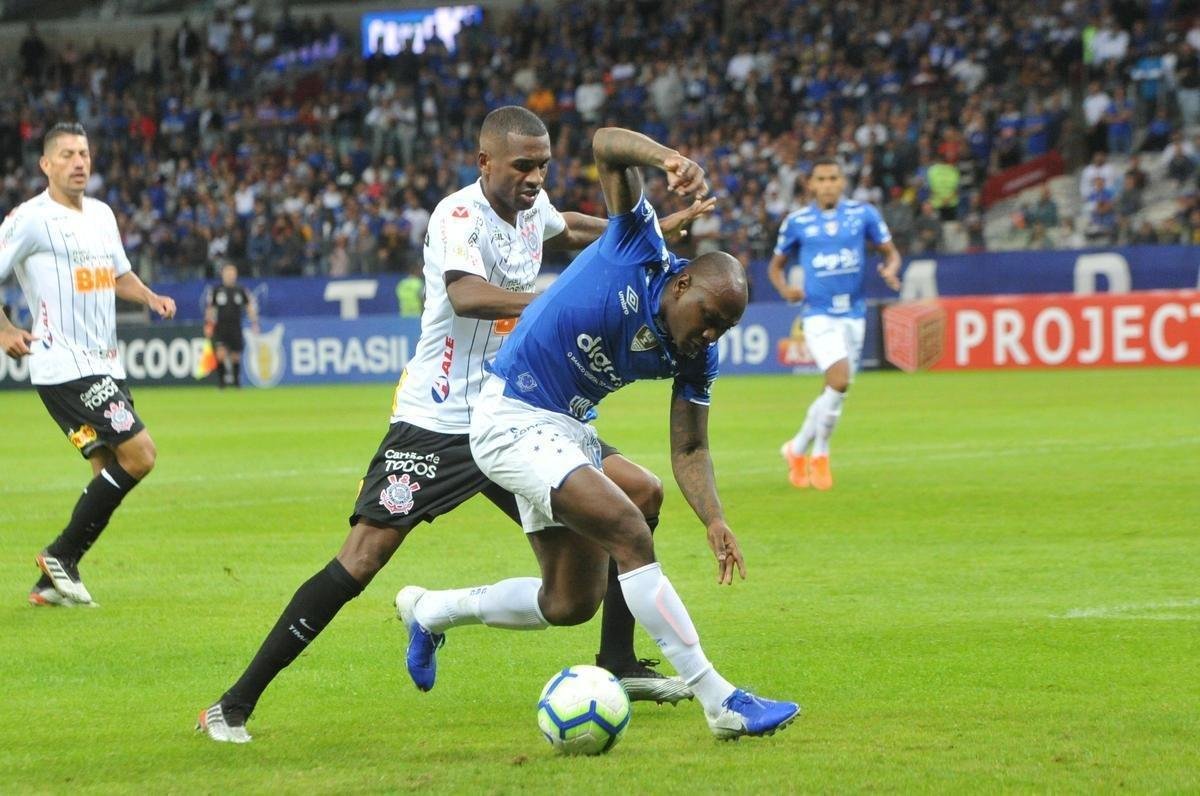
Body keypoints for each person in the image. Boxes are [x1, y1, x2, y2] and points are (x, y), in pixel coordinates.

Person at [197, 107, 712, 743]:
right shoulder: (458, 215)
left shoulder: (532, 206)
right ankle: (233, 704)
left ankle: (616, 661)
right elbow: (467, 294)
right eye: (523, 165)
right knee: (363, 557)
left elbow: (568, 225)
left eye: (544, 164)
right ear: (484, 163)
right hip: (438, 421)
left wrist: (638, 230)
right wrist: (558, 303)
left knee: (611, 536)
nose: (535, 176)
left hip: (522, 411)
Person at [396, 126, 799, 740]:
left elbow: (691, 446)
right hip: (509, 417)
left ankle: (430, 609)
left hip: (567, 429)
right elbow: (606, 142)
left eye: (725, 329)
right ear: (682, 283)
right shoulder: (636, 246)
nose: (711, 335)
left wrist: (714, 519)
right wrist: (669, 159)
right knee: (629, 526)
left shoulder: (696, 355)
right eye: (710, 319)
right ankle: (721, 702)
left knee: (569, 600)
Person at [0, 122, 176, 606]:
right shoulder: (30, 219)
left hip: (105, 363)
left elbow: (119, 275)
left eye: (84, 153)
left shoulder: (101, 214)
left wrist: (149, 295)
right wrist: (5, 329)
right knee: (140, 455)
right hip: (65, 367)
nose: (80, 162)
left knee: (108, 469)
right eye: (68, 155)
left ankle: (53, 580)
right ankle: (59, 554)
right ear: (46, 164)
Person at [768, 157, 902, 490]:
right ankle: (821, 455)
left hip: (854, 314)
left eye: (833, 178)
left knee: (836, 390)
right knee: (839, 380)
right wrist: (786, 289)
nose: (828, 184)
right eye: (821, 179)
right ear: (811, 185)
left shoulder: (863, 214)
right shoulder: (797, 222)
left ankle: (796, 448)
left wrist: (890, 268)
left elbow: (891, 252)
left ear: (843, 182)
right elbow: (776, 266)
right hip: (818, 314)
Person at [203, 262, 258, 388]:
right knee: (221, 354)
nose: (230, 275)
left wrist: (254, 322)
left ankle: (236, 382)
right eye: (228, 273)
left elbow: (249, 306)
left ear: (236, 275)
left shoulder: (241, 290)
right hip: (221, 326)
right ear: (223, 274)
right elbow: (210, 308)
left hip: (236, 326)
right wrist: (208, 324)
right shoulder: (217, 290)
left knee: (235, 356)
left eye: (232, 273)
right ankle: (222, 383)